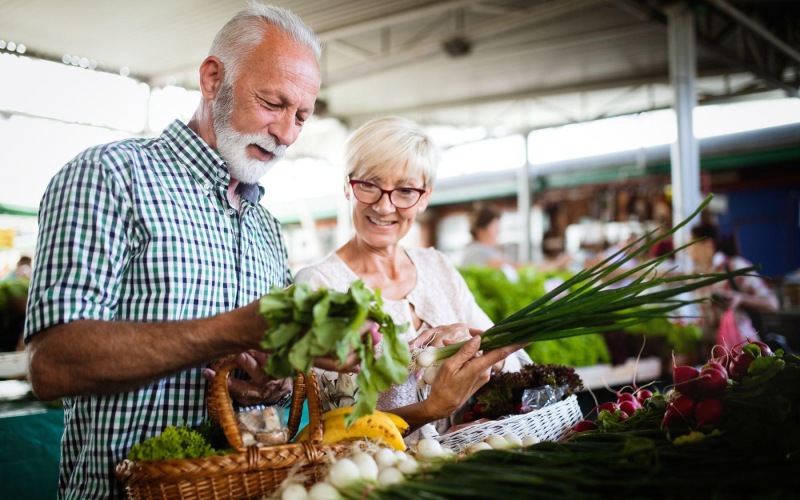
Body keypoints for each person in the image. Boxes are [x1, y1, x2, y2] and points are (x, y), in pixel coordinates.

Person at [23, 4, 338, 498]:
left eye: (301, 115)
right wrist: (231, 329)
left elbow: (263, 386)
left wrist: (268, 384)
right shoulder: (110, 176)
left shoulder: (266, 227)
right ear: (213, 78)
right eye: (273, 103)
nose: (285, 133)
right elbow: (52, 365)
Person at [294, 116, 530, 440]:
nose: (384, 206)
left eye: (405, 191)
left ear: (424, 198)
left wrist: (477, 347)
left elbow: (517, 362)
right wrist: (430, 410)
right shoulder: (319, 285)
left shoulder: (438, 268)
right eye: (369, 185)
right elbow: (328, 429)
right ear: (347, 186)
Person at [687, 222, 779, 357]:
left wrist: (740, 299)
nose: (689, 250)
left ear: (708, 244)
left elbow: (772, 303)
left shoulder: (734, 267)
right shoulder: (697, 275)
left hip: (745, 353)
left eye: (691, 245)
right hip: (715, 355)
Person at [461, 204, 570, 282]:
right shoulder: (476, 251)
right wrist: (555, 264)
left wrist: (551, 264)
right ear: (481, 232)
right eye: (495, 229)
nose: (498, 233)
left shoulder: (486, 251)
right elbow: (518, 268)